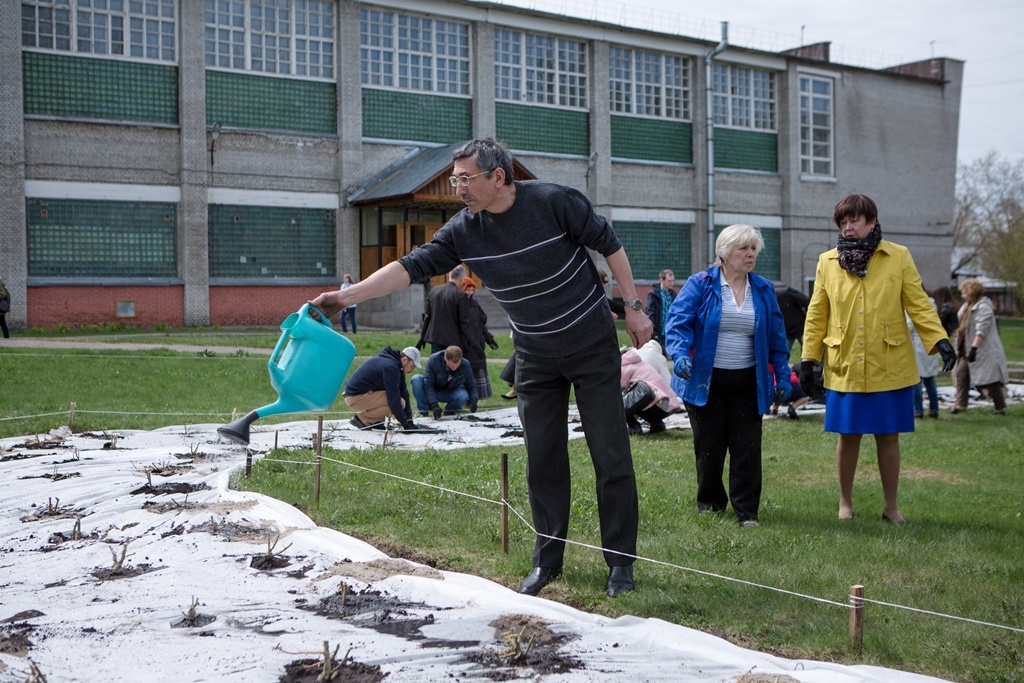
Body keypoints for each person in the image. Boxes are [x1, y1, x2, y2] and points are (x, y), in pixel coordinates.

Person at [310, 137, 653, 598]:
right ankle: (547, 560)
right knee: (543, 459)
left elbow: (611, 247)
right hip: (534, 355)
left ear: (498, 176)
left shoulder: (555, 202)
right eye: (454, 180)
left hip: (590, 346)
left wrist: (633, 306)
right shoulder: (464, 230)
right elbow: (409, 267)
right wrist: (344, 298)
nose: (458, 189)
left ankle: (620, 566)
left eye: (465, 179)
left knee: (610, 455)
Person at [800, 194, 956, 524]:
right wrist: (809, 358)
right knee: (848, 434)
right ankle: (845, 503)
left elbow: (918, 303)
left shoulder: (898, 256)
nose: (848, 227)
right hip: (846, 365)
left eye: (854, 220)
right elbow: (817, 313)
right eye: (843, 222)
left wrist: (939, 339)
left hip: (890, 363)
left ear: (871, 221)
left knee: (888, 435)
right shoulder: (828, 261)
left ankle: (891, 507)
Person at [665, 224, 792, 527]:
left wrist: (784, 375)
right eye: (743, 249)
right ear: (724, 253)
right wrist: (680, 354)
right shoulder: (700, 284)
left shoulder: (762, 289)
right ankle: (710, 504)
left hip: (748, 382)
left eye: (753, 249)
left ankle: (747, 511)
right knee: (709, 446)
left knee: (747, 446)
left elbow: (776, 336)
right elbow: (677, 324)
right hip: (705, 382)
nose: (750, 255)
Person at [955, 279, 1010, 415]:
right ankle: (961, 404)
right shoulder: (967, 306)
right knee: (961, 374)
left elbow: (981, 330)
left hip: (983, 350)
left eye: (965, 292)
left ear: (972, 293)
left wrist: (974, 349)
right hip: (966, 348)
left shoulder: (983, 307)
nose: (962, 295)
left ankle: (999, 407)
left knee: (990, 380)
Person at [343, 345, 421, 431]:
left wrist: (409, 420)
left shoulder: (395, 365)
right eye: (412, 366)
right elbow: (393, 400)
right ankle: (362, 420)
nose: (412, 370)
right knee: (400, 403)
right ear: (404, 359)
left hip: (359, 394)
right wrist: (405, 425)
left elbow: (403, 392)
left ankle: (376, 422)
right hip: (354, 398)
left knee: (399, 401)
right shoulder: (391, 367)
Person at [619, 347, 681, 435]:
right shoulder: (640, 363)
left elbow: (620, 388)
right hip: (667, 405)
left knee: (620, 401)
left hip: (656, 402)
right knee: (640, 396)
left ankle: (634, 427)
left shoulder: (624, 366)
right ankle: (657, 424)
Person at [417, 265, 473, 355]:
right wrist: (471, 342)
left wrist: (422, 338)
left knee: (436, 365)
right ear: (462, 279)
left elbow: (427, 316)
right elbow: (464, 322)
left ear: (449, 276)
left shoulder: (434, 291)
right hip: (453, 340)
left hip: (436, 338)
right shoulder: (461, 295)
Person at [411, 345, 479, 418]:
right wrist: (434, 405)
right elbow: (428, 385)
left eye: (457, 365)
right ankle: (424, 412)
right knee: (416, 379)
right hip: (432, 390)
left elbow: (472, 385)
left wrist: (473, 400)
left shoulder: (465, 364)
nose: (454, 368)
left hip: (449, 392)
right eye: (452, 365)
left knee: (463, 395)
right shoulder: (434, 359)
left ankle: (449, 411)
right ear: (445, 358)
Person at [459, 278, 499, 399]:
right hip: (466, 343)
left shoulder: (475, 303)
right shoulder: (460, 304)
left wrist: (489, 339)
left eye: (472, 290)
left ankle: (480, 394)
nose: (470, 292)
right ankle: (468, 396)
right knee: (468, 369)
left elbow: (481, 324)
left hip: (478, 341)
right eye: (467, 289)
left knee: (478, 366)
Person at [908, 308, 940, 419]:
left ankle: (918, 410)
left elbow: (908, 326)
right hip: (930, 344)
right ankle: (934, 408)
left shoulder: (915, 305)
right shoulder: (932, 305)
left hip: (917, 346)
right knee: (929, 379)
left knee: (916, 379)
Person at [644, 269, 677, 353]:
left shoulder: (673, 294)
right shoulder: (654, 294)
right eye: (669, 281)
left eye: (673, 281)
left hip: (669, 329)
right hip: (658, 329)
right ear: (662, 280)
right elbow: (650, 311)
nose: (671, 283)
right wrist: (652, 329)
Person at [774, 282, 810, 353]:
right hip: (788, 332)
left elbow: (807, 301)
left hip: (801, 328)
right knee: (784, 353)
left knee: (808, 353)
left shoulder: (788, 294)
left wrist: (809, 318)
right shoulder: (771, 301)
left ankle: (809, 363)